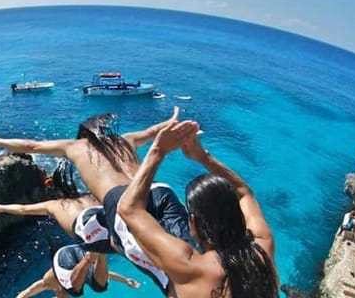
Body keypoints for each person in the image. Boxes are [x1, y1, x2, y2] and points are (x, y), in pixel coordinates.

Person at [0, 108, 201, 294]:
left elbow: (31, 146)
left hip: (124, 204)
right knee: (195, 254)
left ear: (82, 135)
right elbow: (154, 131)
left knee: (169, 278)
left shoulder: (76, 147)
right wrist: (173, 120)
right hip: (157, 189)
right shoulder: (126, 140)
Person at [116, 120, 277, 297]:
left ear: (193, 222)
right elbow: (244, 192)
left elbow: (128, 209)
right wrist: (202, 156)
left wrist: (158, 151)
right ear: (238, 214)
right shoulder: (262, 247)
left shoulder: (189, 266)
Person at [16, 244, 140, 298]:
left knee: (76, 289)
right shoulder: (67, 287)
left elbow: (27, 292)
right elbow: (107, 275)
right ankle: (98, 251)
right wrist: (125, 280)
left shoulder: (50, 281)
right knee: (100, 286)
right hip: (77, 253)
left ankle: (95, 252)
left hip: (65, 257)